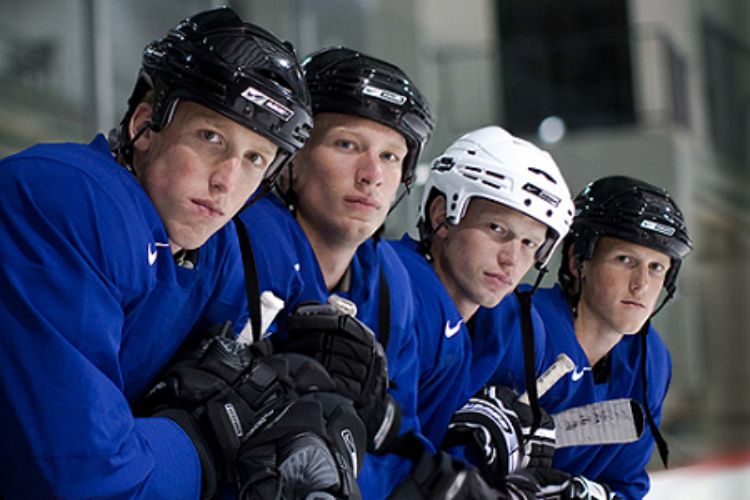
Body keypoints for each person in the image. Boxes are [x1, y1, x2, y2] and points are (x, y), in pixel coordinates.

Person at [0, 8, 363, 499]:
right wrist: (206, 447)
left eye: (254, 158)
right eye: (210, 137)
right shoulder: (66, 198)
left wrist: (313, 401)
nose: (226, 181)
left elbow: (247, 389)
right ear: (146, 124)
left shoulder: (211, 248)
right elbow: (81, 472)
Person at [236, 47, 504, 499]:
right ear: (292, 156)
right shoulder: (240, 242)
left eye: (390, 156)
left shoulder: (388, 282)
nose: (371, 175)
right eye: (347, 145)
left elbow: (395, 445)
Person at [390, 125, 574, 486]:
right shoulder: (396, 284)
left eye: (529, 244)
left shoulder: (508, 326)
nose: (511, 259)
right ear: (442, 214)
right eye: (497, 229)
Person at [520, 176, 693, 499]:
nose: (641, 284)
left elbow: (625, 484)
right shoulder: (520, 326)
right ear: (577, 261)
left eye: (656, 267)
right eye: (625, 260)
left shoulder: (648, 357)